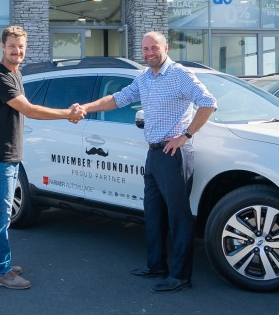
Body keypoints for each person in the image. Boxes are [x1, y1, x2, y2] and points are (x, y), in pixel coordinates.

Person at [76, 31, 216, 293]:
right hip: (153, 154)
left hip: (173, 155)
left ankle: (181, 276)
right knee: (153, 214)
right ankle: (156, 266)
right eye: (145, 49)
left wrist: (186, 136)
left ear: (166, 47)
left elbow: (208, 103)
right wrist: (87, 107)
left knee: (178, 217)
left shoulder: (179, 74)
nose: (149, 53)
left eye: (154, 48)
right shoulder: (144, 78)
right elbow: (117, 99)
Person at [0, 25, 85, 290]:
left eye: (21, 46)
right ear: (3, 46)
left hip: (7, 154)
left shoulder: (16, 73)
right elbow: (29, 110)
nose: (17, 51)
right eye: (12, 46)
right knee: (1, 216)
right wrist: (66, 114)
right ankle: (2, 272)